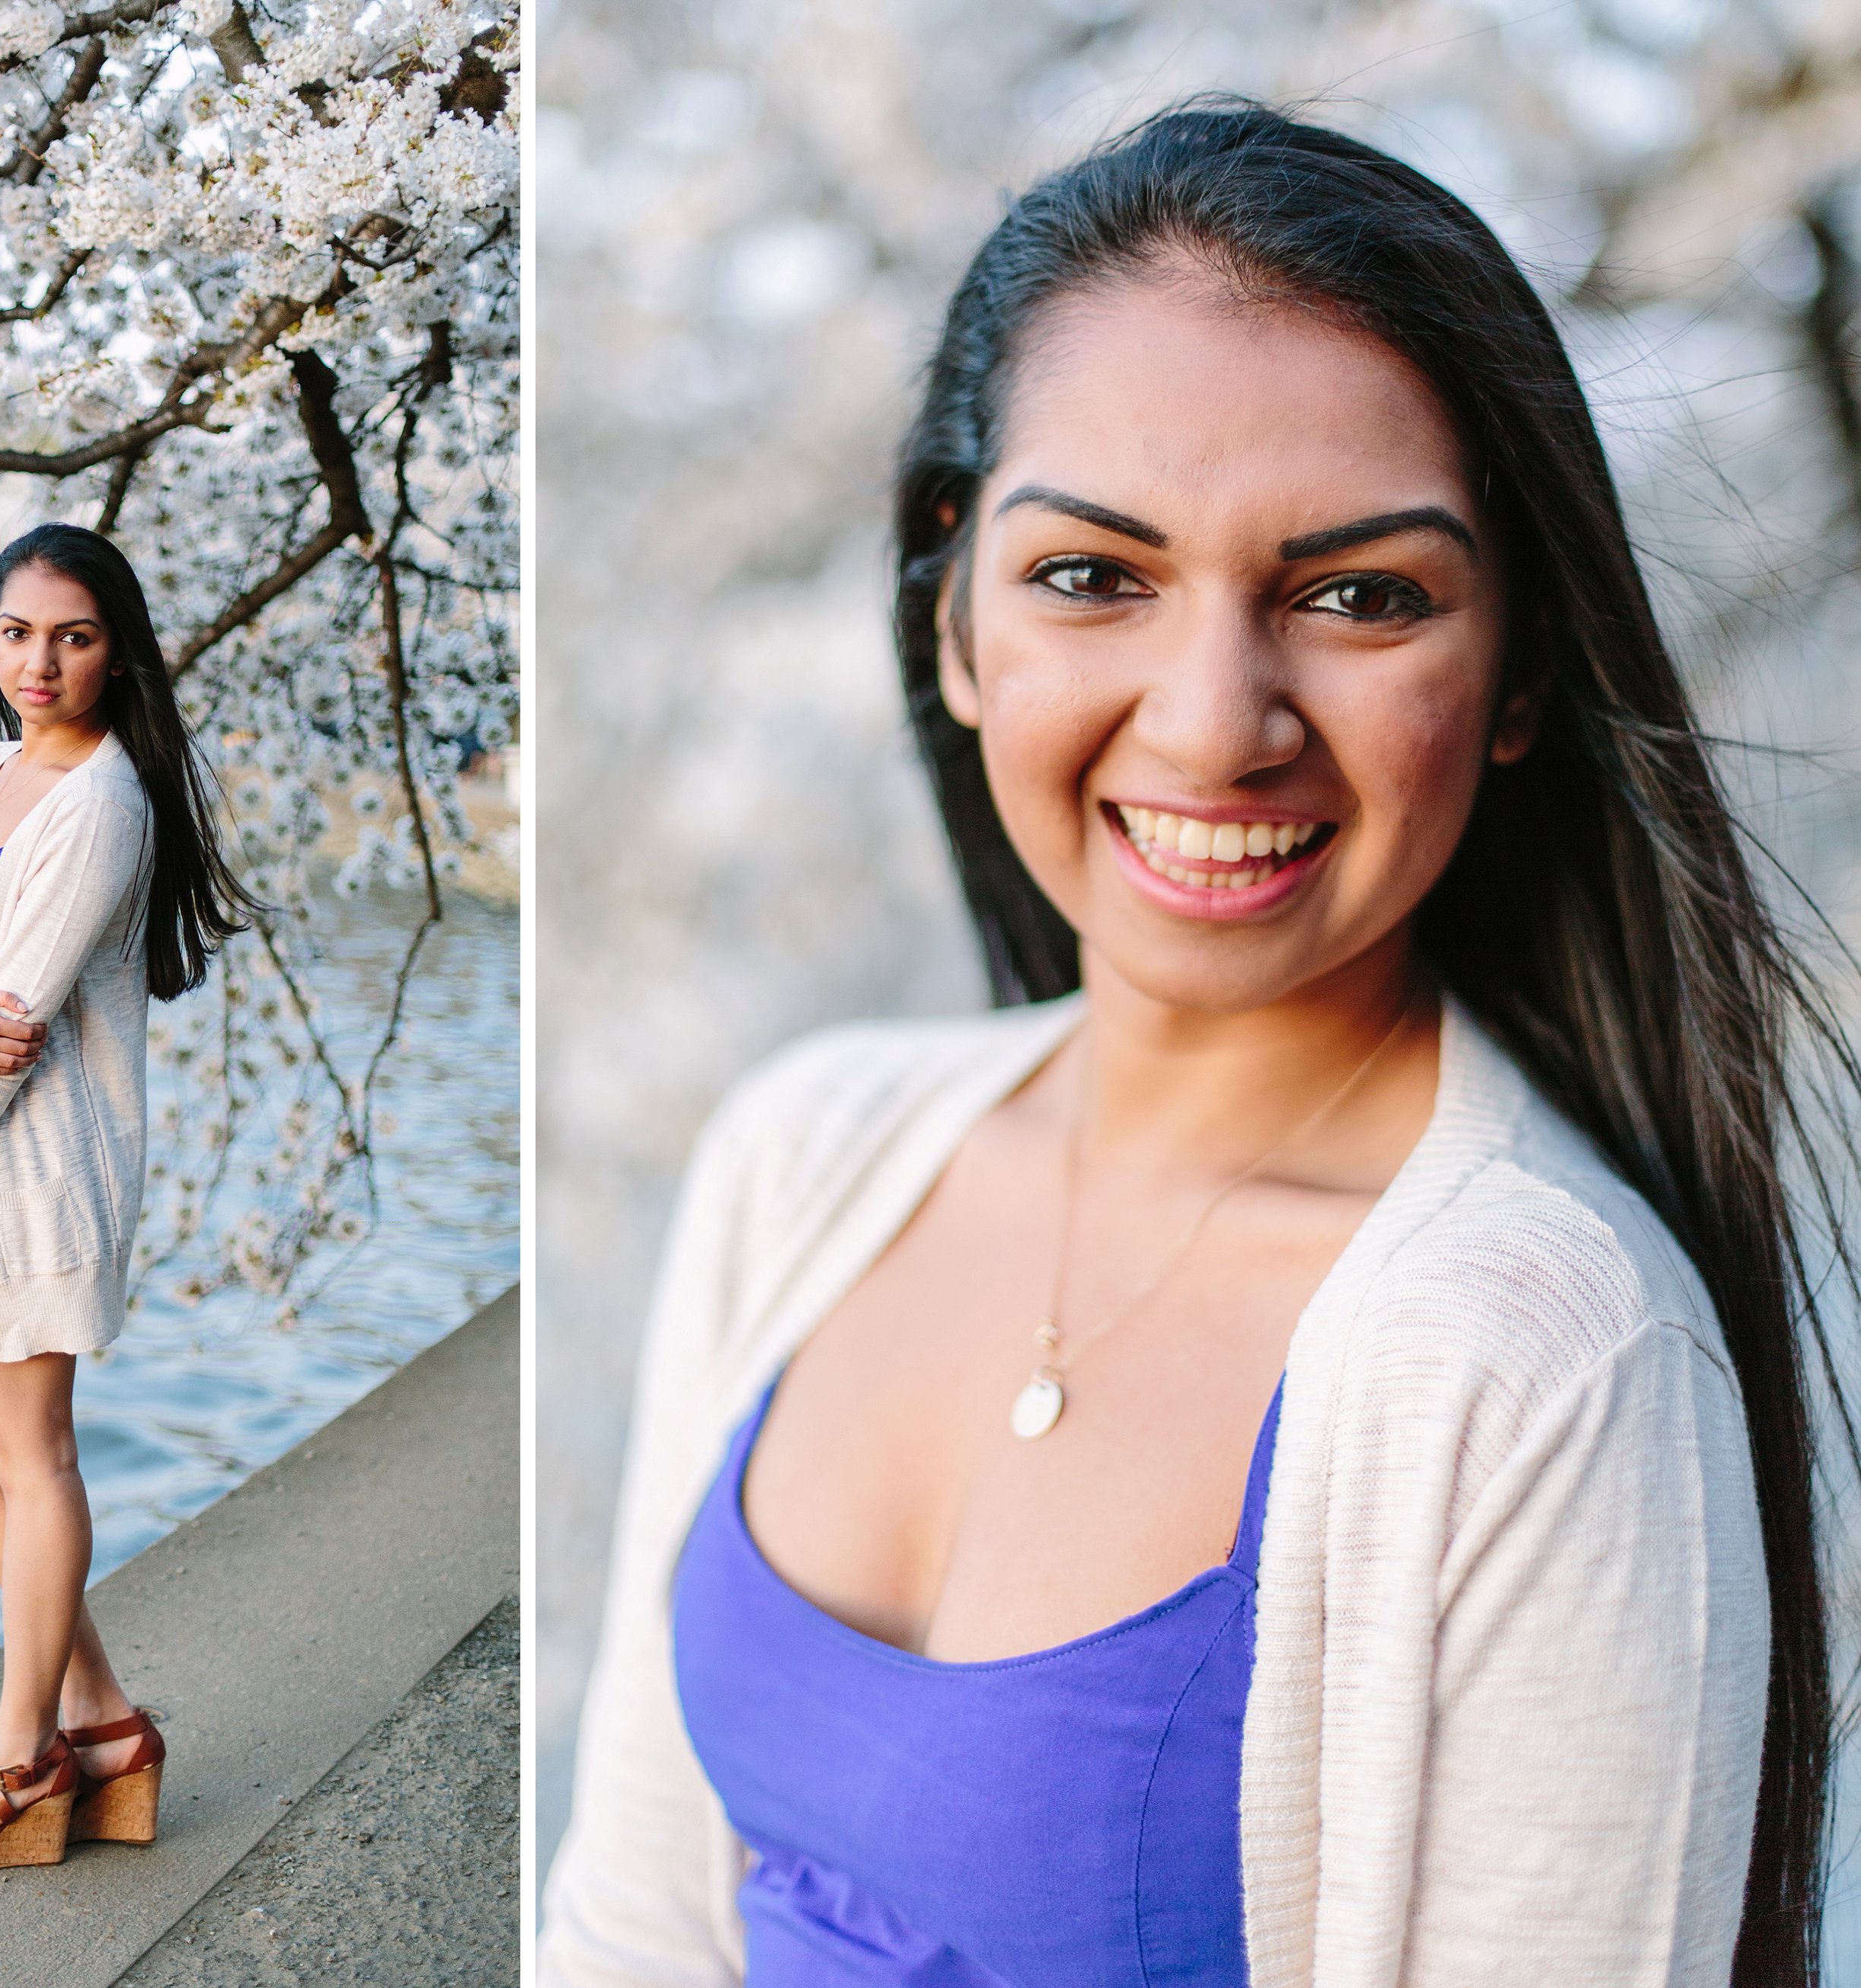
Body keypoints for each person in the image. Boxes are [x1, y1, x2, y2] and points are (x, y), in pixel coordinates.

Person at [541, 101, 1849, 1984]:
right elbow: (634, 1921)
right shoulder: (806, 1151)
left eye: (1358, 596)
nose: (1216, 721)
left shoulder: (1543, 1359)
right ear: (957, 617)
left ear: (1520, 675)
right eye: (1094, 577)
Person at [0, 522, 249, 1874]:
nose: (41, 660)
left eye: (75, 636)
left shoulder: (103, 805)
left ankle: (21, 1755)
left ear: (118, 651)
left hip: (10, 1182)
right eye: (19, 631)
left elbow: (5, 1043)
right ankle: (104, 1720)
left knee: (32, 1458)